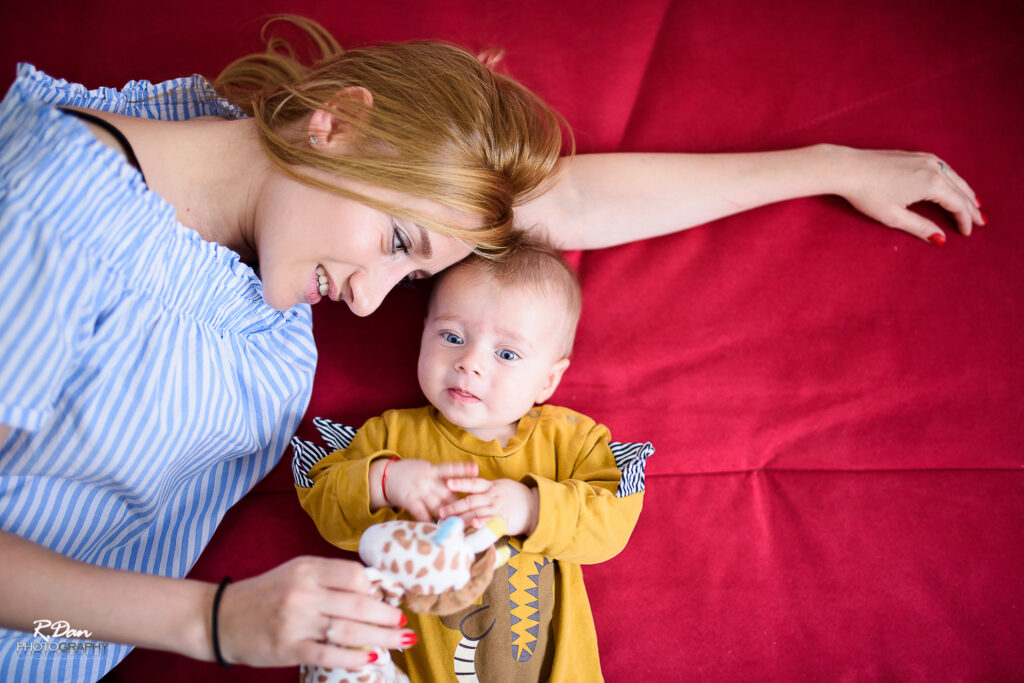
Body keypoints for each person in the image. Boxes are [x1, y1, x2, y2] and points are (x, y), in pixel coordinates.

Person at [0, 13, 983, 682]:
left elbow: (568, 205)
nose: (370, 298)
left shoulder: (234, 163)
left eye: (410, 275)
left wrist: (829, 166)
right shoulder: (47, 214)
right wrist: (210, 622)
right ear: (341, 124)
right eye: (398, 244)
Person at [294, 233, 652, 681]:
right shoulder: (392, 435)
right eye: (451, 336)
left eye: (506, 353)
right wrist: (384, 481)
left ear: (548, 380)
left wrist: (532, 508)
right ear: (423, 335)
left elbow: (610, 526)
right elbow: (327, 509)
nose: (470, 362)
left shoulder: (573, 442)